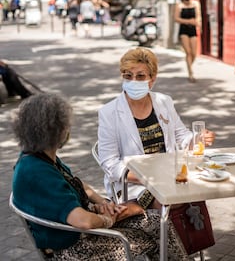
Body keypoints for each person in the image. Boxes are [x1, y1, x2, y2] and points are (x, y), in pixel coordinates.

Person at [12, 93, 189, 260]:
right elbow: (83, 221)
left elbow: (78, 184)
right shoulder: (37, 172)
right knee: (155, 237)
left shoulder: (39, 156)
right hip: (72, 249)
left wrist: (103, 203)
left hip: (77, 231)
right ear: (55, 131)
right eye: (65, 126)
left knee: (156, 222)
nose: (68, 129)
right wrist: (108, 219)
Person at [98, 47, 215, 208]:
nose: (133, 81)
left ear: (152, 79)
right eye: (128, 76)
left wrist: (197, 139)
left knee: (197, 190)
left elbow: (181, 137)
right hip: (133, 185)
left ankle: (195, 234)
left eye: (140, 76)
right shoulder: (109, 112)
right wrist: (147, 178)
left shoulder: (163, 102)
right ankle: (167, 233)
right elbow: (109, 163)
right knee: (173, 200)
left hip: (168, 175)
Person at [174, 0, 202, 83]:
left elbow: (198, 16)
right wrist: (188, 21)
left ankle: (189, 64)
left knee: (194, 53)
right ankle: (191, 73)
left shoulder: (195, 4)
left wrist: (197, 23)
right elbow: (176, 18)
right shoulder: (179, 6)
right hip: (184, 30)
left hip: (193, 29)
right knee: (188, 52)